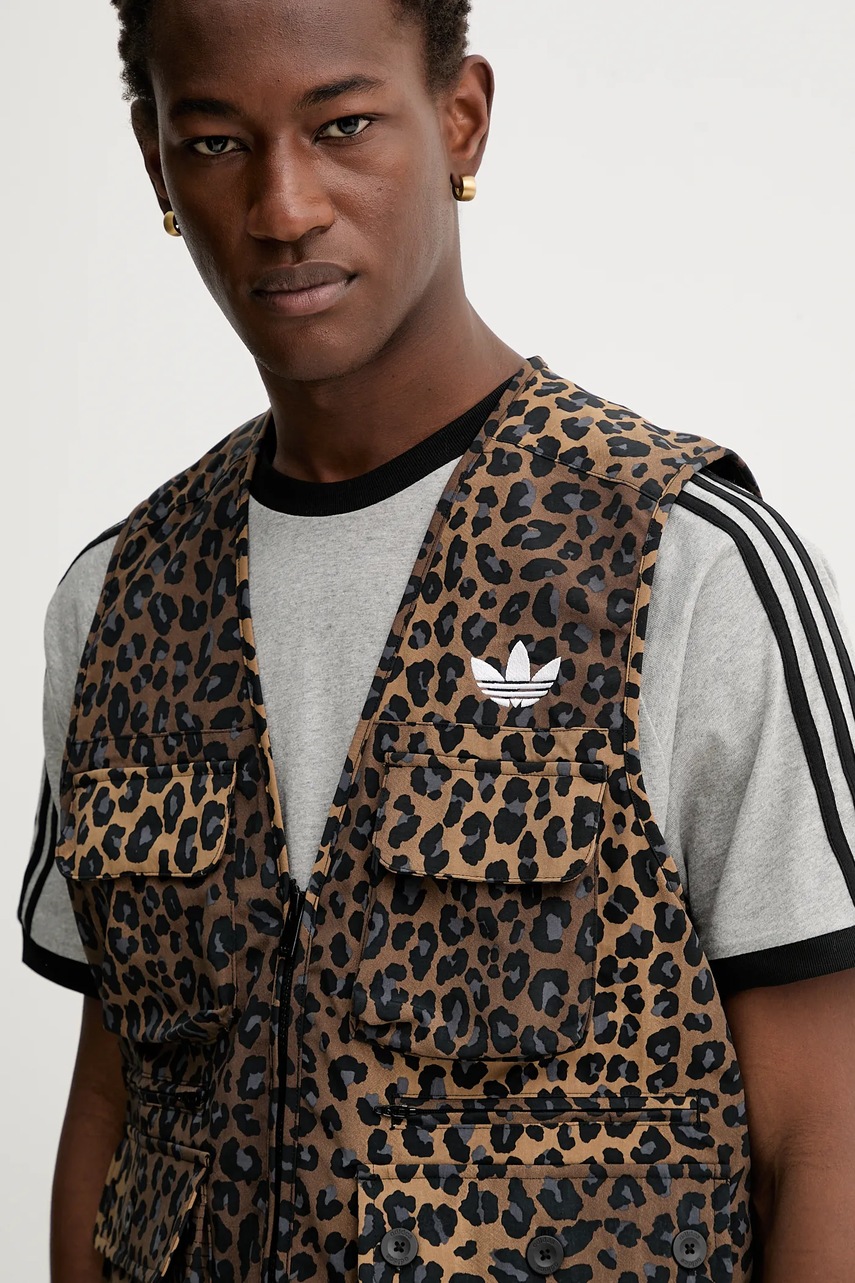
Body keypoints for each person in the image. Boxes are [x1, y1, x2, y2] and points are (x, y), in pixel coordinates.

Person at [17, 1, 855, 1280]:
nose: (284, 207)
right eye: (217, 143)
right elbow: (113, 1106)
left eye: (344, 126)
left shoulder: (686, 565)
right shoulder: (117, 602)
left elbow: (825, 1132)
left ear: (461, 118)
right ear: (156, 168)